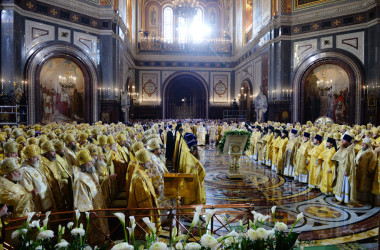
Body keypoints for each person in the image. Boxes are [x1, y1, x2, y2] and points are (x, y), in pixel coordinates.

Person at [73, 149, 109, 245]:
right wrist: (89, 211)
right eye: (89, 162)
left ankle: (104, 241)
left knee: (102, 227)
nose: (92, 163)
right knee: (94, 231)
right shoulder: (80, 179)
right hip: (92, 210)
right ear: (83, 164)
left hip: (98, 206)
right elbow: (82, 197)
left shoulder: (91, 173)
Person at [19, 145, 56, 212]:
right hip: (38, 204)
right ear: (29, 159)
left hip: (47, 200)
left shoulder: (35, 166)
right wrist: (32, 193)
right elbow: (27, 190)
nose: (38, 159)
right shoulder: (24, 171)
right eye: (35, 157)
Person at [332, 133, 356, 205]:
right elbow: (336, 156)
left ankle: (344, 199)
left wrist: (347, 170)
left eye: (344, 140)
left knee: (344, 185)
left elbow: (350, 162)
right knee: (339, 184)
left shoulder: (350, 150)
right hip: (340, 169)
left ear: (348, 142)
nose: (342, 141)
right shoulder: (342, 148)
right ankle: (339, 198)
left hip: (346, 171)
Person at [355, 138, 376, 203]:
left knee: (364, 186)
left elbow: (373, 163)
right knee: (357, 184)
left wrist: (370, 171)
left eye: (364, 144)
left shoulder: (371, 153)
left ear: (368, 145)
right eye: (362, 144)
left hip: (365, 172)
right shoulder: (360, 151)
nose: (362, 145)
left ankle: (364, 200)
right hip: (358, 170)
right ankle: (357, 198)